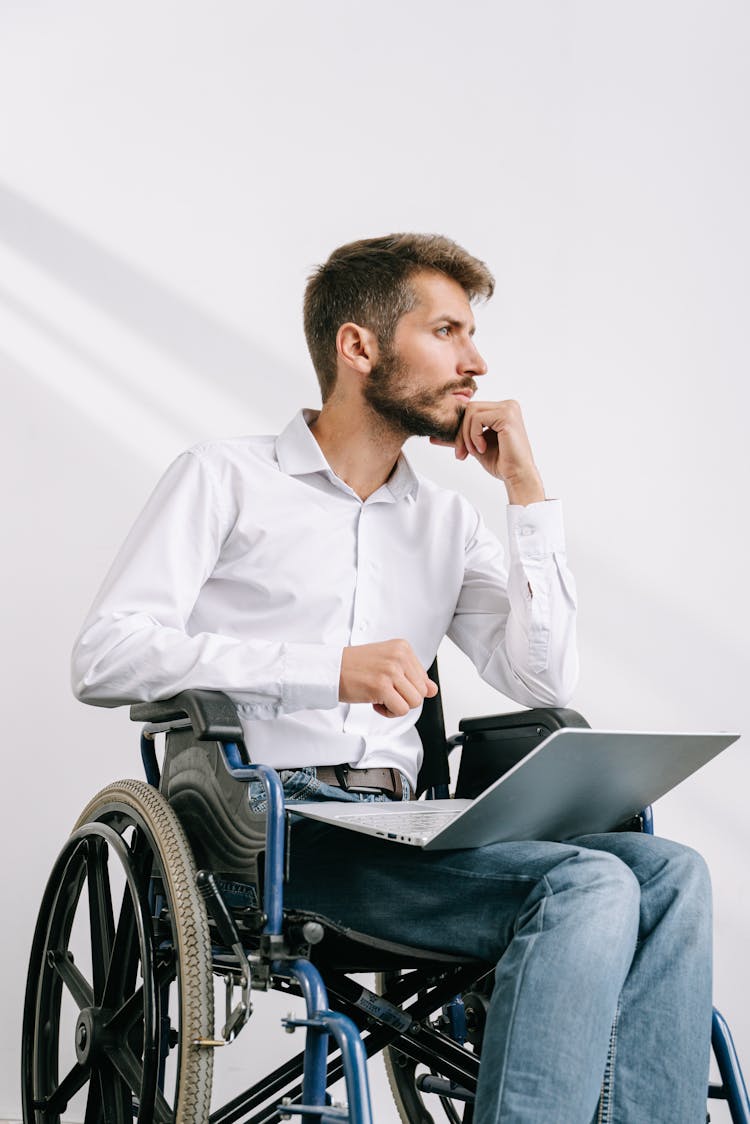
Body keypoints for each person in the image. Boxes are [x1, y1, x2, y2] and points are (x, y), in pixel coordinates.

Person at [72, 234, 712, 1122]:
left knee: (670, 873)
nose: (476, 362)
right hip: (277, 828)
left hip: (417, 828)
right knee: (587, 884)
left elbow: (542, 675)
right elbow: (106, 653)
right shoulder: (225, 480)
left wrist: (527, 493)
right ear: (359, 347)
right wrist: (324, 671)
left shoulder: (446, 521)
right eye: (447, 331)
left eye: (472, 336)